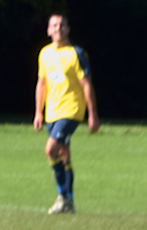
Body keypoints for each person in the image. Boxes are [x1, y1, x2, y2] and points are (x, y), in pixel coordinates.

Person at [32, 14, 99, 214]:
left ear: (68, 29)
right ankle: (69, 201)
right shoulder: (44, 54)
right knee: (63, 155)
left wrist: (92, 114)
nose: (58, 28)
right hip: (52, 111)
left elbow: (86, 85)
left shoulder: (76, 53)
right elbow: (42, 83)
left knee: (50, 149)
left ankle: (62, 197)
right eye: (54, 25)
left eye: (62, 25)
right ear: (48, 30)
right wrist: (38, 112)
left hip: (71, 110)